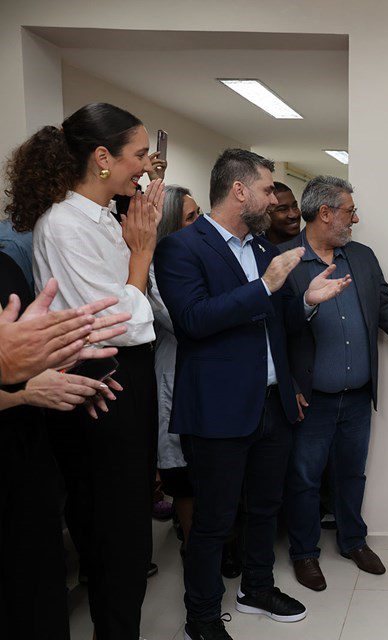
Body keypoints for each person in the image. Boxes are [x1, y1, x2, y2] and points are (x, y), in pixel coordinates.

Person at [154, 148, 351, 640]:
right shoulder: (183, 248)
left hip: (271, 403)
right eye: (266, 188)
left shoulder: (263, 250)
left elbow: (279, 323)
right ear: (239, 190)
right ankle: (200, 616)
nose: (274, 199)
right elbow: (193, 321)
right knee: (215, 520)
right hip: (219, 408)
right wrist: (264, 286)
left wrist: (305, 300)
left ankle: (256, 589)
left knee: (266, 506)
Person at [5, 101, 163, 639]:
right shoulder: (63, 225)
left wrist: (138, 252)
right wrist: (140, 256)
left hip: (129, 380)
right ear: (102, 157)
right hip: (101, 386)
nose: (145, 166)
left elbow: (146, 310)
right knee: (113, 540)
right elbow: (117, 324)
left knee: (130, 535)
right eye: (139, 155)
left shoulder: (110, 219)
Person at [282, 175, 388, 590]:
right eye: (349, 211)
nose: (356, 218)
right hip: (310, 399)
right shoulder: (284, 261)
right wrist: (289, 387)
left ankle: (352, 541)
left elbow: (387, 310)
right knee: (303, 478)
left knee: (351, 474)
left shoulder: (361, 257)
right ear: (325, 213)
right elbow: (271, 333)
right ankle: (304, 553)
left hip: (357, 396)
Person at [0, 254, 129, 639]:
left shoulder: (5, 266)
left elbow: (27, 362)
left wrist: (63, 376)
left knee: (39, 599)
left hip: (26, 472)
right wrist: (21, 390)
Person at [151, 185, 201, 555]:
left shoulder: (204, 256)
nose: (200, 223)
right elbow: (181, 321)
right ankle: (192, 544)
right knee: (182, 470)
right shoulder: (154, 267)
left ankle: (220, 544)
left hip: (209, 370)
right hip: (176, 368)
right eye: (191, 217)